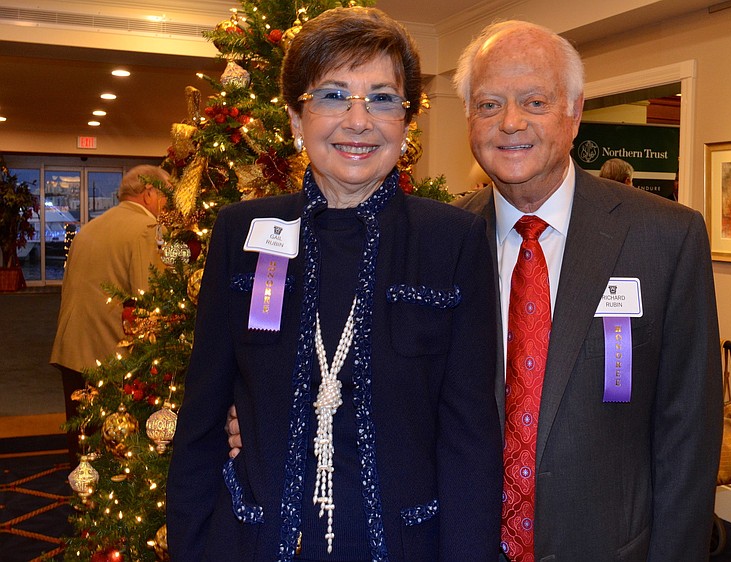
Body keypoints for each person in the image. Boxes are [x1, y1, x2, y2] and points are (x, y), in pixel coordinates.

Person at [167, 7, 502, 561]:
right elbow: (202, 417)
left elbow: (469, 439)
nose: (357, 120)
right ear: (297, 121)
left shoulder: (454, 241)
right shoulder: (242, 231)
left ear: (406, 120)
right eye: (331, 95)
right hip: (255, 541)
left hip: (402, 545)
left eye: (382, 98)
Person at [452, 20, 722, 561]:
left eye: (534, 101)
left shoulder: (666, 236)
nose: (510, 123)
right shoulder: (445, 240)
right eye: (488, 105)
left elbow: (688, 429)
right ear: (469, 119)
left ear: (574, 113)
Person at [50, 164, 169, 461]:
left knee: (81, 438)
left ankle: (81, 500)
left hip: (71, 348)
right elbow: (149, 298)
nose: (168, 205)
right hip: (109, 354)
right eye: (166, 196)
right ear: (149, 193)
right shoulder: (145, 229)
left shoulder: (89, 228)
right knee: (114, 446)